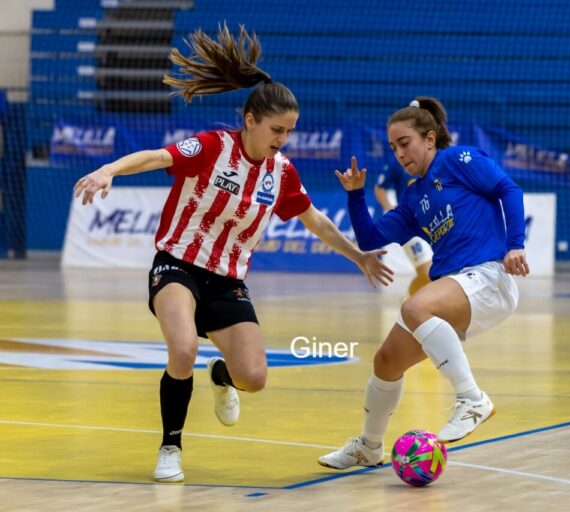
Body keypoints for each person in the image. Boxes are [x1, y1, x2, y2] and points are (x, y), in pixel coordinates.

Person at [73, 25, 393, 483]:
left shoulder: (281, 173)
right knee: (181, 350)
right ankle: (171, 446)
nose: (283, 138)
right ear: (250, 120)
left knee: (255, 378)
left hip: (227, 280)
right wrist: (109, 170)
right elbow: (154, 157)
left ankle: (221, 374)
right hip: (177, 265)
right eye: (277, 129)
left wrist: (359, 256)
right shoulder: (210, 147)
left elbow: (315, 220)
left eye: (290, 131)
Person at [318, 97, 529, 470]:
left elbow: (508, 190)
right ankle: (368, 446)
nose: (399, 153)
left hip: (490, 276)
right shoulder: (414, 197)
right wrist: (355, 195)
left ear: (430, 139)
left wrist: (515, 245)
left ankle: (471, 399)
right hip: (458, 285)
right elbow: (369, 239)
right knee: (385, 361)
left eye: (405, 143)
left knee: (415, 305)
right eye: (393, 147)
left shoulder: (459, 160)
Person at [373, 157, 432, 295]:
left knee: (433, 274)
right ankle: (409, 306)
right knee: (427, 272)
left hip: (430, 223)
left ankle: (409, 303)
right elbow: (379, 188)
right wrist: (389, 209)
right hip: (409, 226)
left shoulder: (434, 159)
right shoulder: (397, 162)